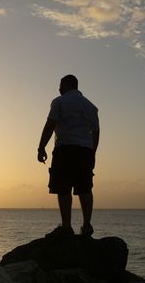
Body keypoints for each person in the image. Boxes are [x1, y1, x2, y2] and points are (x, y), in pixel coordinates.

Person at [37, 74, 100, 237]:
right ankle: (87, 225)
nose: (58, 89)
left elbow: (50, 124)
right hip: (85, 151)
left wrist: (41, 147)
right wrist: (93, 152)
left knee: (63, 188)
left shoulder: (59, 102)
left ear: (66, 85)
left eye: (60, 85)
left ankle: (66, 226)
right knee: (85, 188)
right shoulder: (90, 107)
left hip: (64, 149)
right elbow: (96, 132)